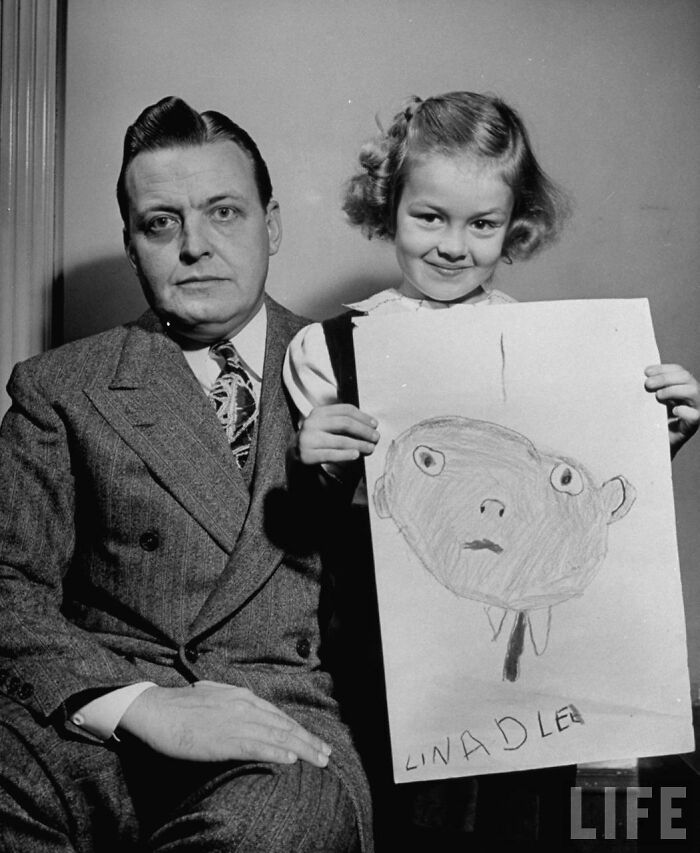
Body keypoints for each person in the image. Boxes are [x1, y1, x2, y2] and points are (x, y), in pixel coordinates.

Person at [283, 91, 700, 848]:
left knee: (548, 809)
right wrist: (319, 462)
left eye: (482, 224)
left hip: (522, 666)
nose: (453, 245)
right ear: (388, 207)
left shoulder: (547, 349)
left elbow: (585, 497)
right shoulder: (330, 347)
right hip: (391, 660)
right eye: (429, 217)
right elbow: (316, 533)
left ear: (516, 227)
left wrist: (655, 431)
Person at [0, 96, 372, 852]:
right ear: (134, 245)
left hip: (279, 728)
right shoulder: (61, 386)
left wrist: (639, 439)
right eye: (161, 222)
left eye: (224, 213)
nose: (194, 245)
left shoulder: (369, 367)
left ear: (271, 224)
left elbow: (477, 530)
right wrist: (141, 704)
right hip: (99, 719)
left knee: (273, 831)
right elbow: (7, 587)